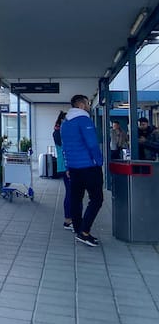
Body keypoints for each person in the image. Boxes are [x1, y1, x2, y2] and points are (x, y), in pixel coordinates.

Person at [60, 94, 104, 247]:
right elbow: (92, 144)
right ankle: (84, 232)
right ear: (80, 105)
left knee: (76, 198)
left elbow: (64, 147)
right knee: (97, 199)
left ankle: (78, 228)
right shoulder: (84, 120)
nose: (88, 106)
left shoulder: (65, 123)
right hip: (89, 167)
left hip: (73, 168)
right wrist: (99, 161)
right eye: (87, 103)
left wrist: (67, 167)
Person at [53, 111, 73, 231]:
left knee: (71, 192)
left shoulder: (59, 131)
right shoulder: (59, 133)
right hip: (65, 166)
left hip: (66, 166)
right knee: (70, 193)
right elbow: (65, 149)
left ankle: (70, 219)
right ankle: (68, 220)